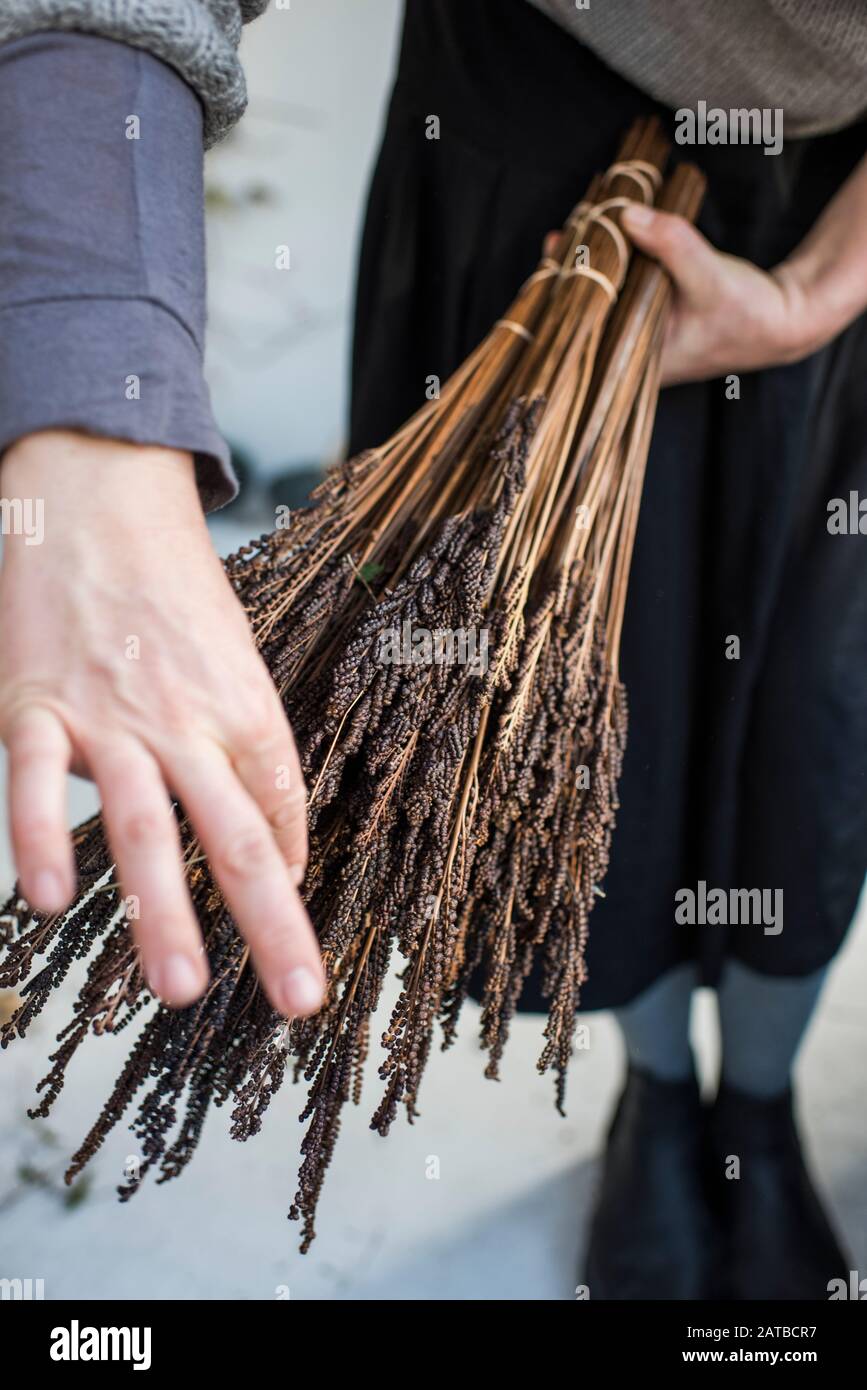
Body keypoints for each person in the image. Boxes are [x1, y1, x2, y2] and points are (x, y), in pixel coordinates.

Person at [0, 0, 865, 1300]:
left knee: (806, 737)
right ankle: (660, 1096)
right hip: (526, 160)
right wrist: (84, 407)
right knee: (570, 754)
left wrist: (819, 291)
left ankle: (758, 1104)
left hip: (835, 202)